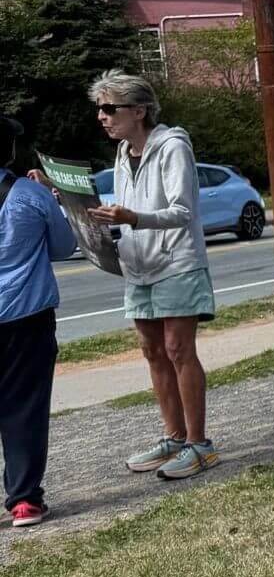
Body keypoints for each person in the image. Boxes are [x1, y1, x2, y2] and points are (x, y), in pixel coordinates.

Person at [88, 71, 221, 481]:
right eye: (100, 109)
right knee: (152, 351)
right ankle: (174, 436)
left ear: (139, 110)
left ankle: (200, 444)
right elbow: (124, 205)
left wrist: (134, 218)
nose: (102, 117)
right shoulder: (124, 153)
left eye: (110, 108)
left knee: (179, 349)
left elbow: (183, 212)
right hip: (138, 265)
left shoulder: (172, 146)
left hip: (176, 262)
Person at [0, 117, 74, 526]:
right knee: (24, 406)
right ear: (9, 150)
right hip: (26, 317)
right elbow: (64, 246)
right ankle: (24, 499)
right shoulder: (30, 194)